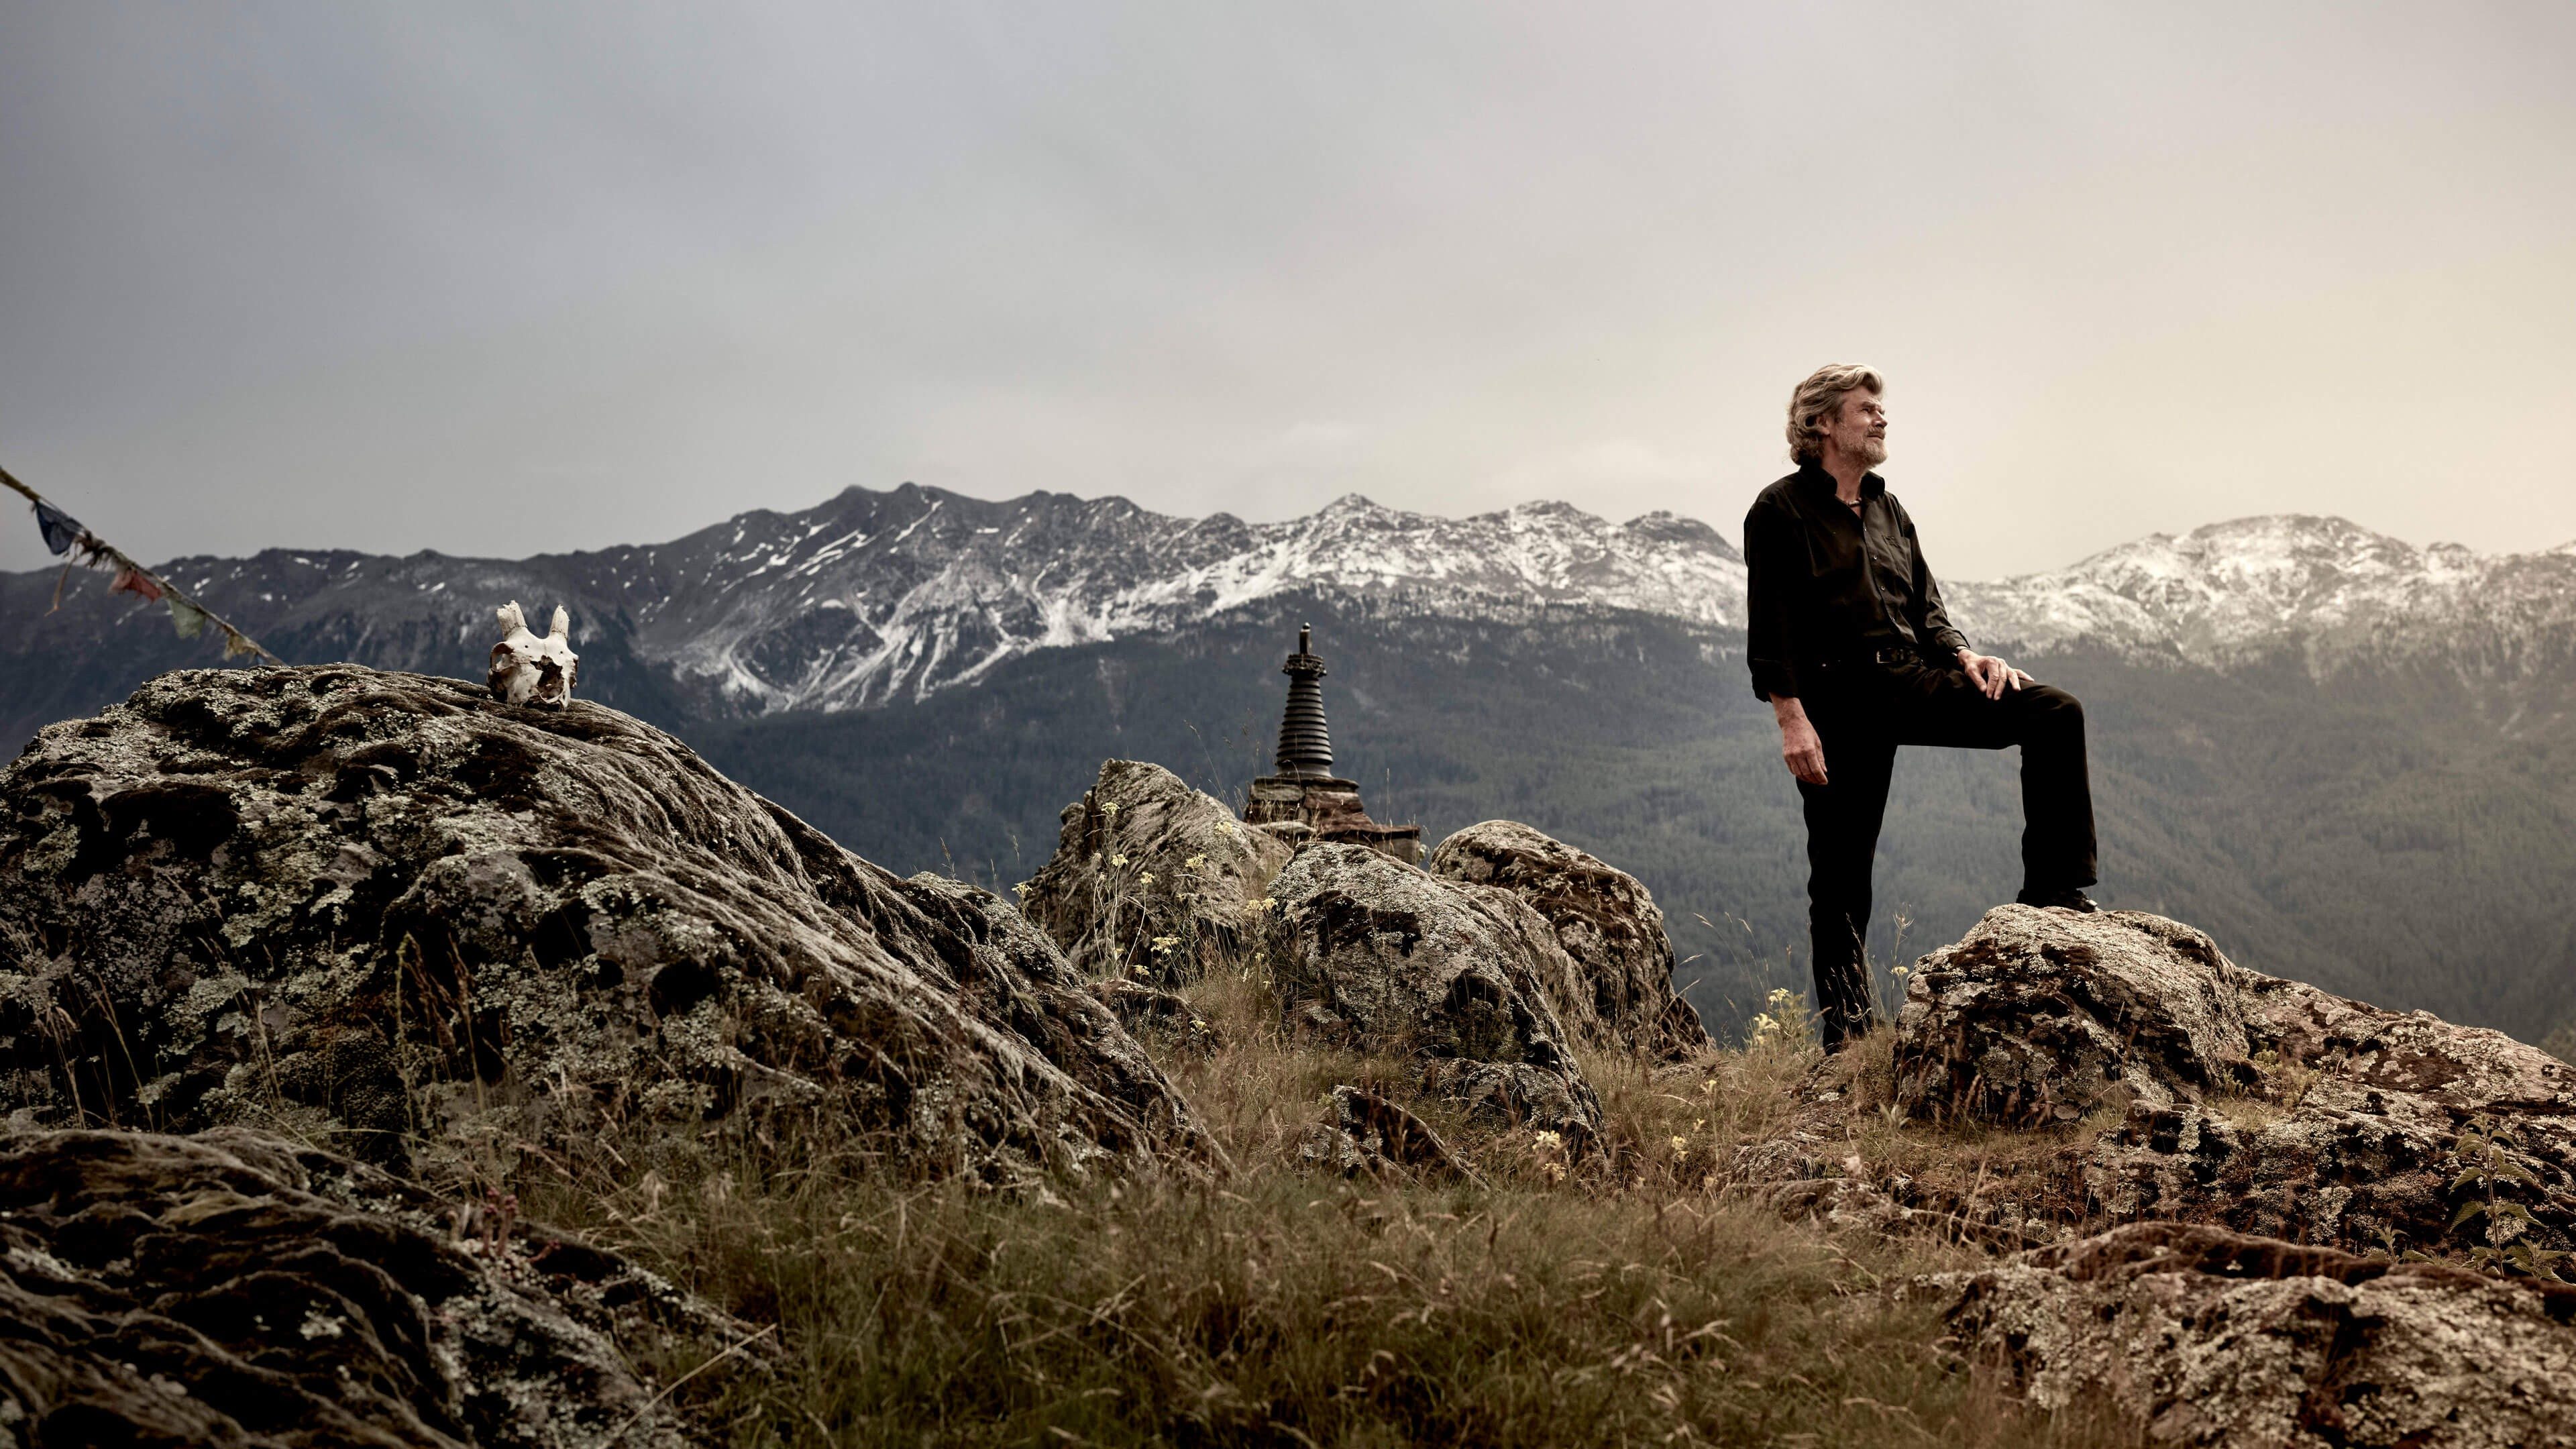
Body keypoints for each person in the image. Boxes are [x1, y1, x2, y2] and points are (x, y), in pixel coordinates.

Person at [1744, 364, 2098, 1051]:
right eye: (1866, 408)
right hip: (1837, 703)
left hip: (1911, 679)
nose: (1881, 418)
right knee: (1842, 876)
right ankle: (1848, 1038)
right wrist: (1792, 720)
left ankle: (2053, 890)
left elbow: (1927, 605)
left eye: (1882, 408)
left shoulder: (1887, 507)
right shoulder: (1780, 510)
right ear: (1822, 424)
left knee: (2055, 713)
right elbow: (1771, 629)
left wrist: (1965, 655)